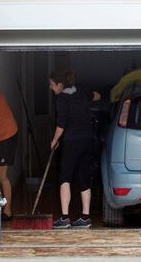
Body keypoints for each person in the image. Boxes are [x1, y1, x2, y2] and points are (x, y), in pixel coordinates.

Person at [49, 70, 101, 229]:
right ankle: (85, 218)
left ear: (60, 85)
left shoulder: (62, 99)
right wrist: (88, 99)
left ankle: (65, 218)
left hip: (72, 142)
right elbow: (98, 96)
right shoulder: (81, 91)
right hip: (87, 140)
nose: (51, 88)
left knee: (65, 177)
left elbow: (61, 124)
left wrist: (54, 140)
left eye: (52, 85)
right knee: (84, 176)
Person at [0, 85, 18, 221]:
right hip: (1, 136)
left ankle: (8, 212)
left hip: (6, 136)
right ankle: (4, 208)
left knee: (1, 175)